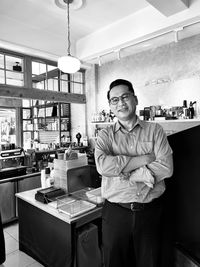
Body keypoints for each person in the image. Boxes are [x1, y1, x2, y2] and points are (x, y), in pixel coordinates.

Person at [95, 79, 173, 267]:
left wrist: (127, 172)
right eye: (114, 100)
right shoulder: (105, 135)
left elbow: (166, 167)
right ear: (110, 106)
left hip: (150, 213)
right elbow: (102, 166)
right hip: (115, 214)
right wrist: (143, 160)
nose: (120, 103)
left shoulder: (155, 130)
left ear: (135, 99)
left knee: (151, 263)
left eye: (125, 97)